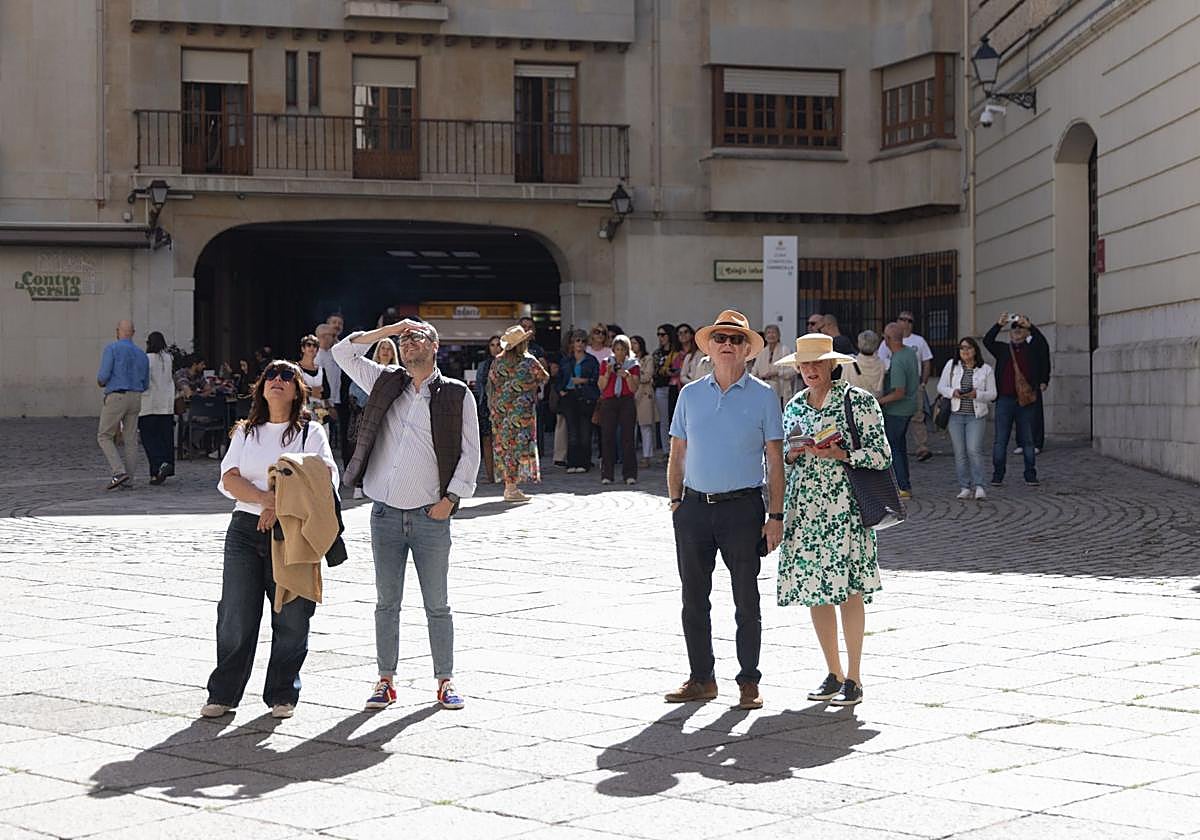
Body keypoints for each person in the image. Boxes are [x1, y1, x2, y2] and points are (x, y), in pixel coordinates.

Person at [333, 319, 480, 712]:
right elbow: (342, 352)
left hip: (431, 515)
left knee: (437, 604)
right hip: (385, 513)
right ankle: (385, 681)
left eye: (416, 337)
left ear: (435, 346)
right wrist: (391, 328)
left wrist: (451, 499)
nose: (407, 341)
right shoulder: (385, 382)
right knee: (387, 603)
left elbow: (471, 453)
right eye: (404, 338)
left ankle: (445, 681)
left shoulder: (456, 393)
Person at [203, 359, 339, 720]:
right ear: (262, 388)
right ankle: (223, 694)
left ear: (297, 390)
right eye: (270, 376)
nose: (277, 380)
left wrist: (280, 507)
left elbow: (324, 478)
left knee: (292, 616)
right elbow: (229, 478)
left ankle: (283, 693)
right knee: (235, 614)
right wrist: (268, 501)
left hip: (294, 531)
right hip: (245, 530)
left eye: (286, 376)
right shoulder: (246, 431)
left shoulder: (310, 433)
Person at [665, 310, 783, 711]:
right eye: (720, 338)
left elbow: (775, 460)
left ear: (747, 349)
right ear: (710, 348)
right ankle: (702, 678)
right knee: (693, 599)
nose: (727, 344)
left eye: (736, 339)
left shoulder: (764, 396)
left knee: (746, 599)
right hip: (694, 508)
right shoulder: (690, 395)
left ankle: (749, 681)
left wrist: (776, 516)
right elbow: (677, 451)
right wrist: (676, 502)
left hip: (743, 509)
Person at [776, 333, 890, 708]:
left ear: (831, 365)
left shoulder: (858, 401)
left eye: (817, 363)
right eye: (804, 364)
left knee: (849, 590)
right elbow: (781, 459)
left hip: (846, 509)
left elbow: (882, 455)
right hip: (806, 511)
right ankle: (833, 672)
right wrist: (793, 453)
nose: (810, 370)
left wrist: (843, 454)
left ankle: (854, 677)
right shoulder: (794, 405)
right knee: (815, 589)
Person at [984, 313, 1050, 487]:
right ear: (1010, 333)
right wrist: (999, 324)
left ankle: (1030, 474)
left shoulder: (1031, 349)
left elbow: (1042, 344)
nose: (1017, 331)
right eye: (1014, 329)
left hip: (1025, 401)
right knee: (1001, 440)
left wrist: (1030, 326)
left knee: (1028, 440)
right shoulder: (1003, 349)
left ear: (1026, 332)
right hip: (1004, 400)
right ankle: (998, 474)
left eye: (1021, 329)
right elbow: (987, 341)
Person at [489, 324, 550, 502]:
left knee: (504, 447)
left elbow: (492, 381)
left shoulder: (498, 361)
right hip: (521, 412)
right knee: (518, 447)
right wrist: (530, 384)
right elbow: (544, 377)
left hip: (500, 411)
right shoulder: (528, 361)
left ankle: (509, 486)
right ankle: (511, 488)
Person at [937, 336, 997, 500]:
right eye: (962, 348)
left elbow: (993, 394)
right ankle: (965, 486)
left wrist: (977, 394)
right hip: (955, 414)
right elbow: (941, 387)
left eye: (969, 348)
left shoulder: (985, 369)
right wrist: (953, 392)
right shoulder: (952, 365)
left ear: (975, 350)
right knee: (960, 452)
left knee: (974, 450)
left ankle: (979, 486)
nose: (965, 351)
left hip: (975, 415)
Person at [96, 319, 149, 490]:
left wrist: (102, 383)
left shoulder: (112, 349)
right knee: (131, 439)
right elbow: (146, 383)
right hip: (136, 397)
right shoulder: (141, 354)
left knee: (104, 435)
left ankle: (119, 471)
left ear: (118, 331)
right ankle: (130, 479)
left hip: (117, 395)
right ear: (133, 333)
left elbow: (103, 376)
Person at [879, 310, 934, 462]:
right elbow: (880, 361)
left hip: (911, 387)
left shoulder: (918, 342)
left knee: (917, 419)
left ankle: (922, 446)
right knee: (898, 442)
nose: (906, 323)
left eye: (909, 320)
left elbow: (926, 361)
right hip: (895, 386)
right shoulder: (890, 347)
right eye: (903, 319)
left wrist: (923, 383)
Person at [347, 338, 398, 500]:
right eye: (383, 348)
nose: (385, 351)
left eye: (389, 348)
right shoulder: (367, 368)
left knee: (386, 453)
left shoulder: (399, 373)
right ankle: (359, 485)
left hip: (389, 418)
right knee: (363, 451)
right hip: (367, 416)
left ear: (393, 353)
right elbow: (354, 391)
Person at [878, 323, 918, 499]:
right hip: (908, 408)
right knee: (900, 447)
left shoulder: (899, 360)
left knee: (894, 449)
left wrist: (879, 401)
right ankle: (904, 484)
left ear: (888, 339)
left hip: (897, 410)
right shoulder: (909, 352)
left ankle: (902, 486)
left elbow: (899, 392)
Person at [597, 335, 640, 485]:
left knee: (627, 438)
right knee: (607, 437)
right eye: (617, 349)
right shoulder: (606, 363)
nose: (619, 352)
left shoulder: (633, 364)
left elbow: (634, 388)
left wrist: (627, 376)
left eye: (622, 349)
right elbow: (601, 386)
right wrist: (608, 373)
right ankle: (607, 474)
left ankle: (630, 474)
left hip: (626, 401)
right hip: (609, 401)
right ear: (613, 350)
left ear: (627, 350)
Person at [559, 329, 600, 473]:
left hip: (586, 396)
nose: (580, 344)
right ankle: (572, 462)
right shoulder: (566, 360)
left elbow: (596, 379)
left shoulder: (591, 360)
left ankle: (584, 462)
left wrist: (583, 380)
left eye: (583, 341)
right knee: (572, 432)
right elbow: (559, 378)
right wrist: (561, 390)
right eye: (577, 341)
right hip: (570, 396)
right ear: (572, 343)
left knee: (585, 432)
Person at [139, 331, 176, 485]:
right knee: (164, 438)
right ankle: (160, 469)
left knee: (149, 439)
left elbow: (143, 380)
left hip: (149, 404)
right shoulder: (168, 358)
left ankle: (158, 465)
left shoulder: (146, 359)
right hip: (166, 405)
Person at [316, 321, 348, 458]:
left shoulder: (333, 353)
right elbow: (319, 384)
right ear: (323, 337)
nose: (334, 338)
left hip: (338, 401)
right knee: (324, 437)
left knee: (338, 440)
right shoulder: (316, 357)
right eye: (332, 335)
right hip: (324, 404)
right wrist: (329, 405)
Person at [475, 335, 502, 484]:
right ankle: (490, 475)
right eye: (492, 345)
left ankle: (504, 474)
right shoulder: (483, 365)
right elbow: (479, 386)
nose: (495, 348)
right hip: (486, 405)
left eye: (498, 345)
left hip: (504, 406)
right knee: (487, 439)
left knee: (502, 440)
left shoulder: (508, 363)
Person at [752, 324, 797, 408]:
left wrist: (777, 373)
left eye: (773, 332)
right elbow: (754, 371)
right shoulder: (761, 352)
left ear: (779, 335)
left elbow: (793, 370)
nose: (771, 335)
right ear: (765, 336)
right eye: (768, 333)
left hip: (781, 391)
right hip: (763, 390)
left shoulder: (785, 350)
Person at [652, 323, 681, 457]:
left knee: (676, 419)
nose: (660, 337)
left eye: (663, 334)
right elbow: (655, 371)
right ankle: (666, 450)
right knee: (664, 420)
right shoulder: (657, 353)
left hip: (675, 388)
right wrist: (665, 371)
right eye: (658, 335)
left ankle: (678, 450)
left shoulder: (677, 353)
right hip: (661, 388)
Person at [630, 335, 658, 468]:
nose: (633, 346)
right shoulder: (628, 359)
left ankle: (647, 457)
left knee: (645, 427)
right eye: (631, 343)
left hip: (644, 394)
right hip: (631, 394)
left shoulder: (648, 358)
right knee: (630, 427)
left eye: (635, 343)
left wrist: (632, 376)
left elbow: (647, 376)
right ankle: (630, 456)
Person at [844, 330, 886, 396]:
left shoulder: (849, 363)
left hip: (855, 400)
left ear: (859, 344)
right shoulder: (881, 364)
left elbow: (844, 385)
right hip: (874, 400)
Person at [297, 335, 324, 400]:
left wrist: (307, 390)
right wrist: (314, 391)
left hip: (319, 405)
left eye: (314, 345)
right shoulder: (295, 367)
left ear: (317, 351)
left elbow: (327, 393)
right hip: (301, 405)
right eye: (308, 345)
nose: (312, 347)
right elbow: (295, 390)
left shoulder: (321, 370)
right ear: (303, 349)